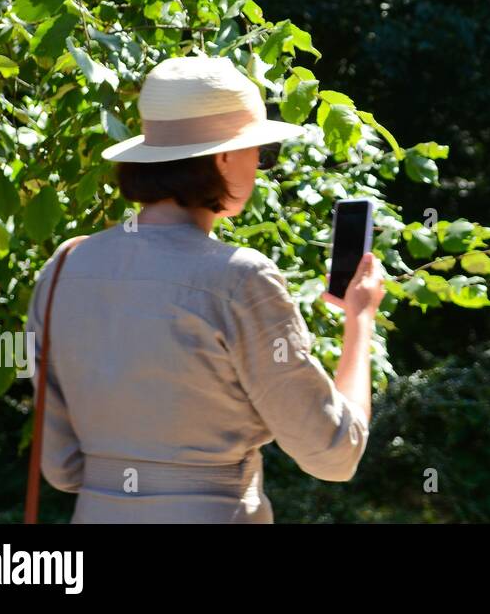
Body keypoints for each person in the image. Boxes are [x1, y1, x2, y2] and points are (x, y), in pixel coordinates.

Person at [25, 55, 384, 523]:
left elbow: (62, 467)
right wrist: (359, 320)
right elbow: (333, 453)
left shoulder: (64, 268)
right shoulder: (240, 279)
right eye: (259, 151)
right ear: (223, 157)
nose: (260, 165)